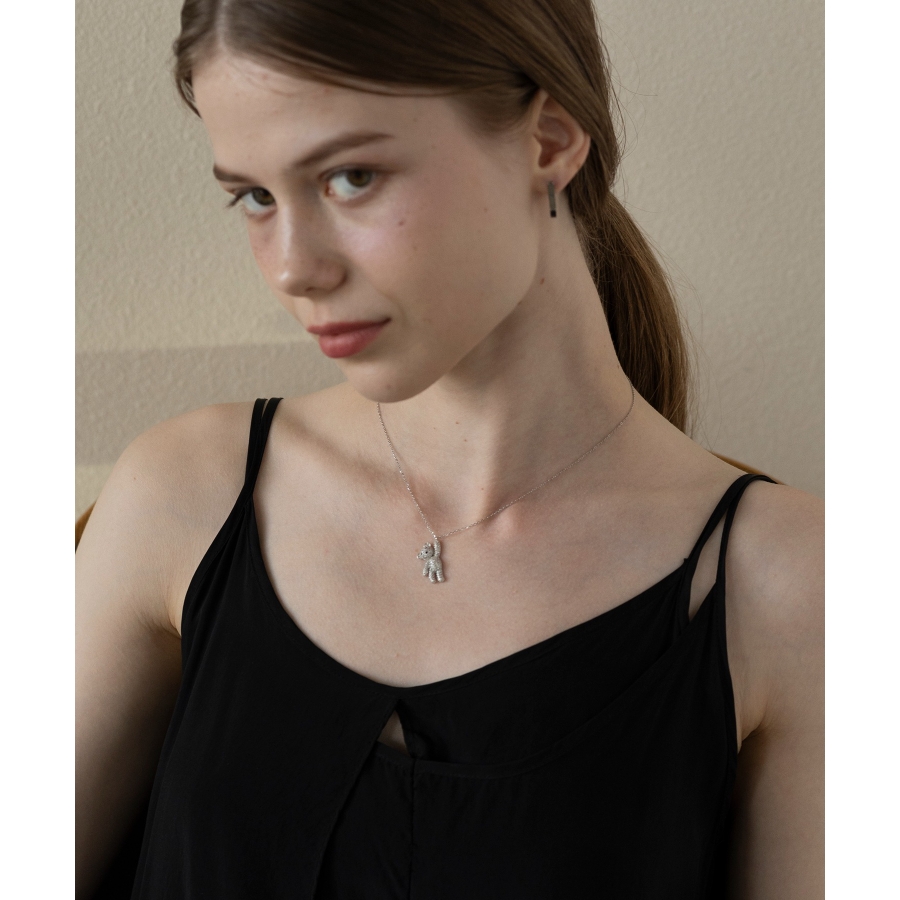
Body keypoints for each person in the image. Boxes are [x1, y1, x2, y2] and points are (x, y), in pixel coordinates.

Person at [75, 1, 824, 897]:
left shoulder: (791, 584)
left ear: (549, 140)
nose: (293, 267)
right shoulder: (185, 493)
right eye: (255, 197)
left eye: (351, 177)